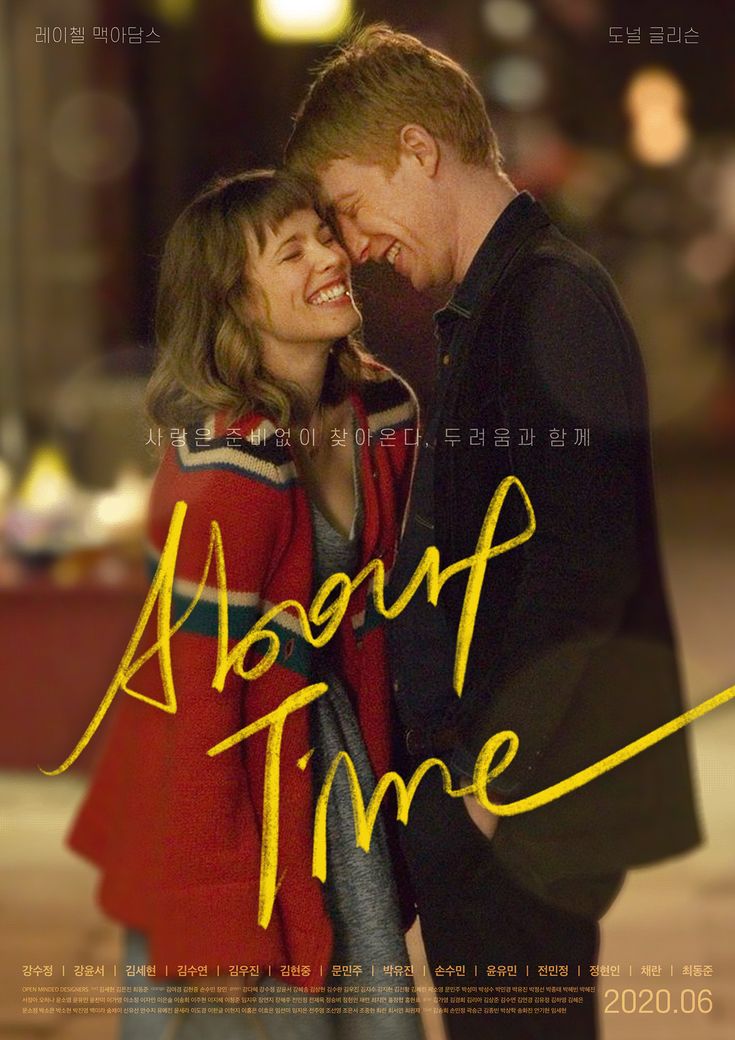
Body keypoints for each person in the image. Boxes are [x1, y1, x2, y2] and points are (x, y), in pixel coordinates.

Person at [286, 24, 701, 1039]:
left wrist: (486, 787)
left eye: (349, 207)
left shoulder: (548, 298)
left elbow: (581, 570)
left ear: (420, 151)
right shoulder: (503, 297)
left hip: (522, 812)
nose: (352, 246)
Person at [68, 170, 422, 1040]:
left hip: (326, 774)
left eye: (323, 236)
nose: (330, 258)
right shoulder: (224, 468)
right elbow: (187, 697)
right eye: (290, 251)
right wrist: (213, 918)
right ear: (234, 300)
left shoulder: (381, 408)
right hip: (223, 802)